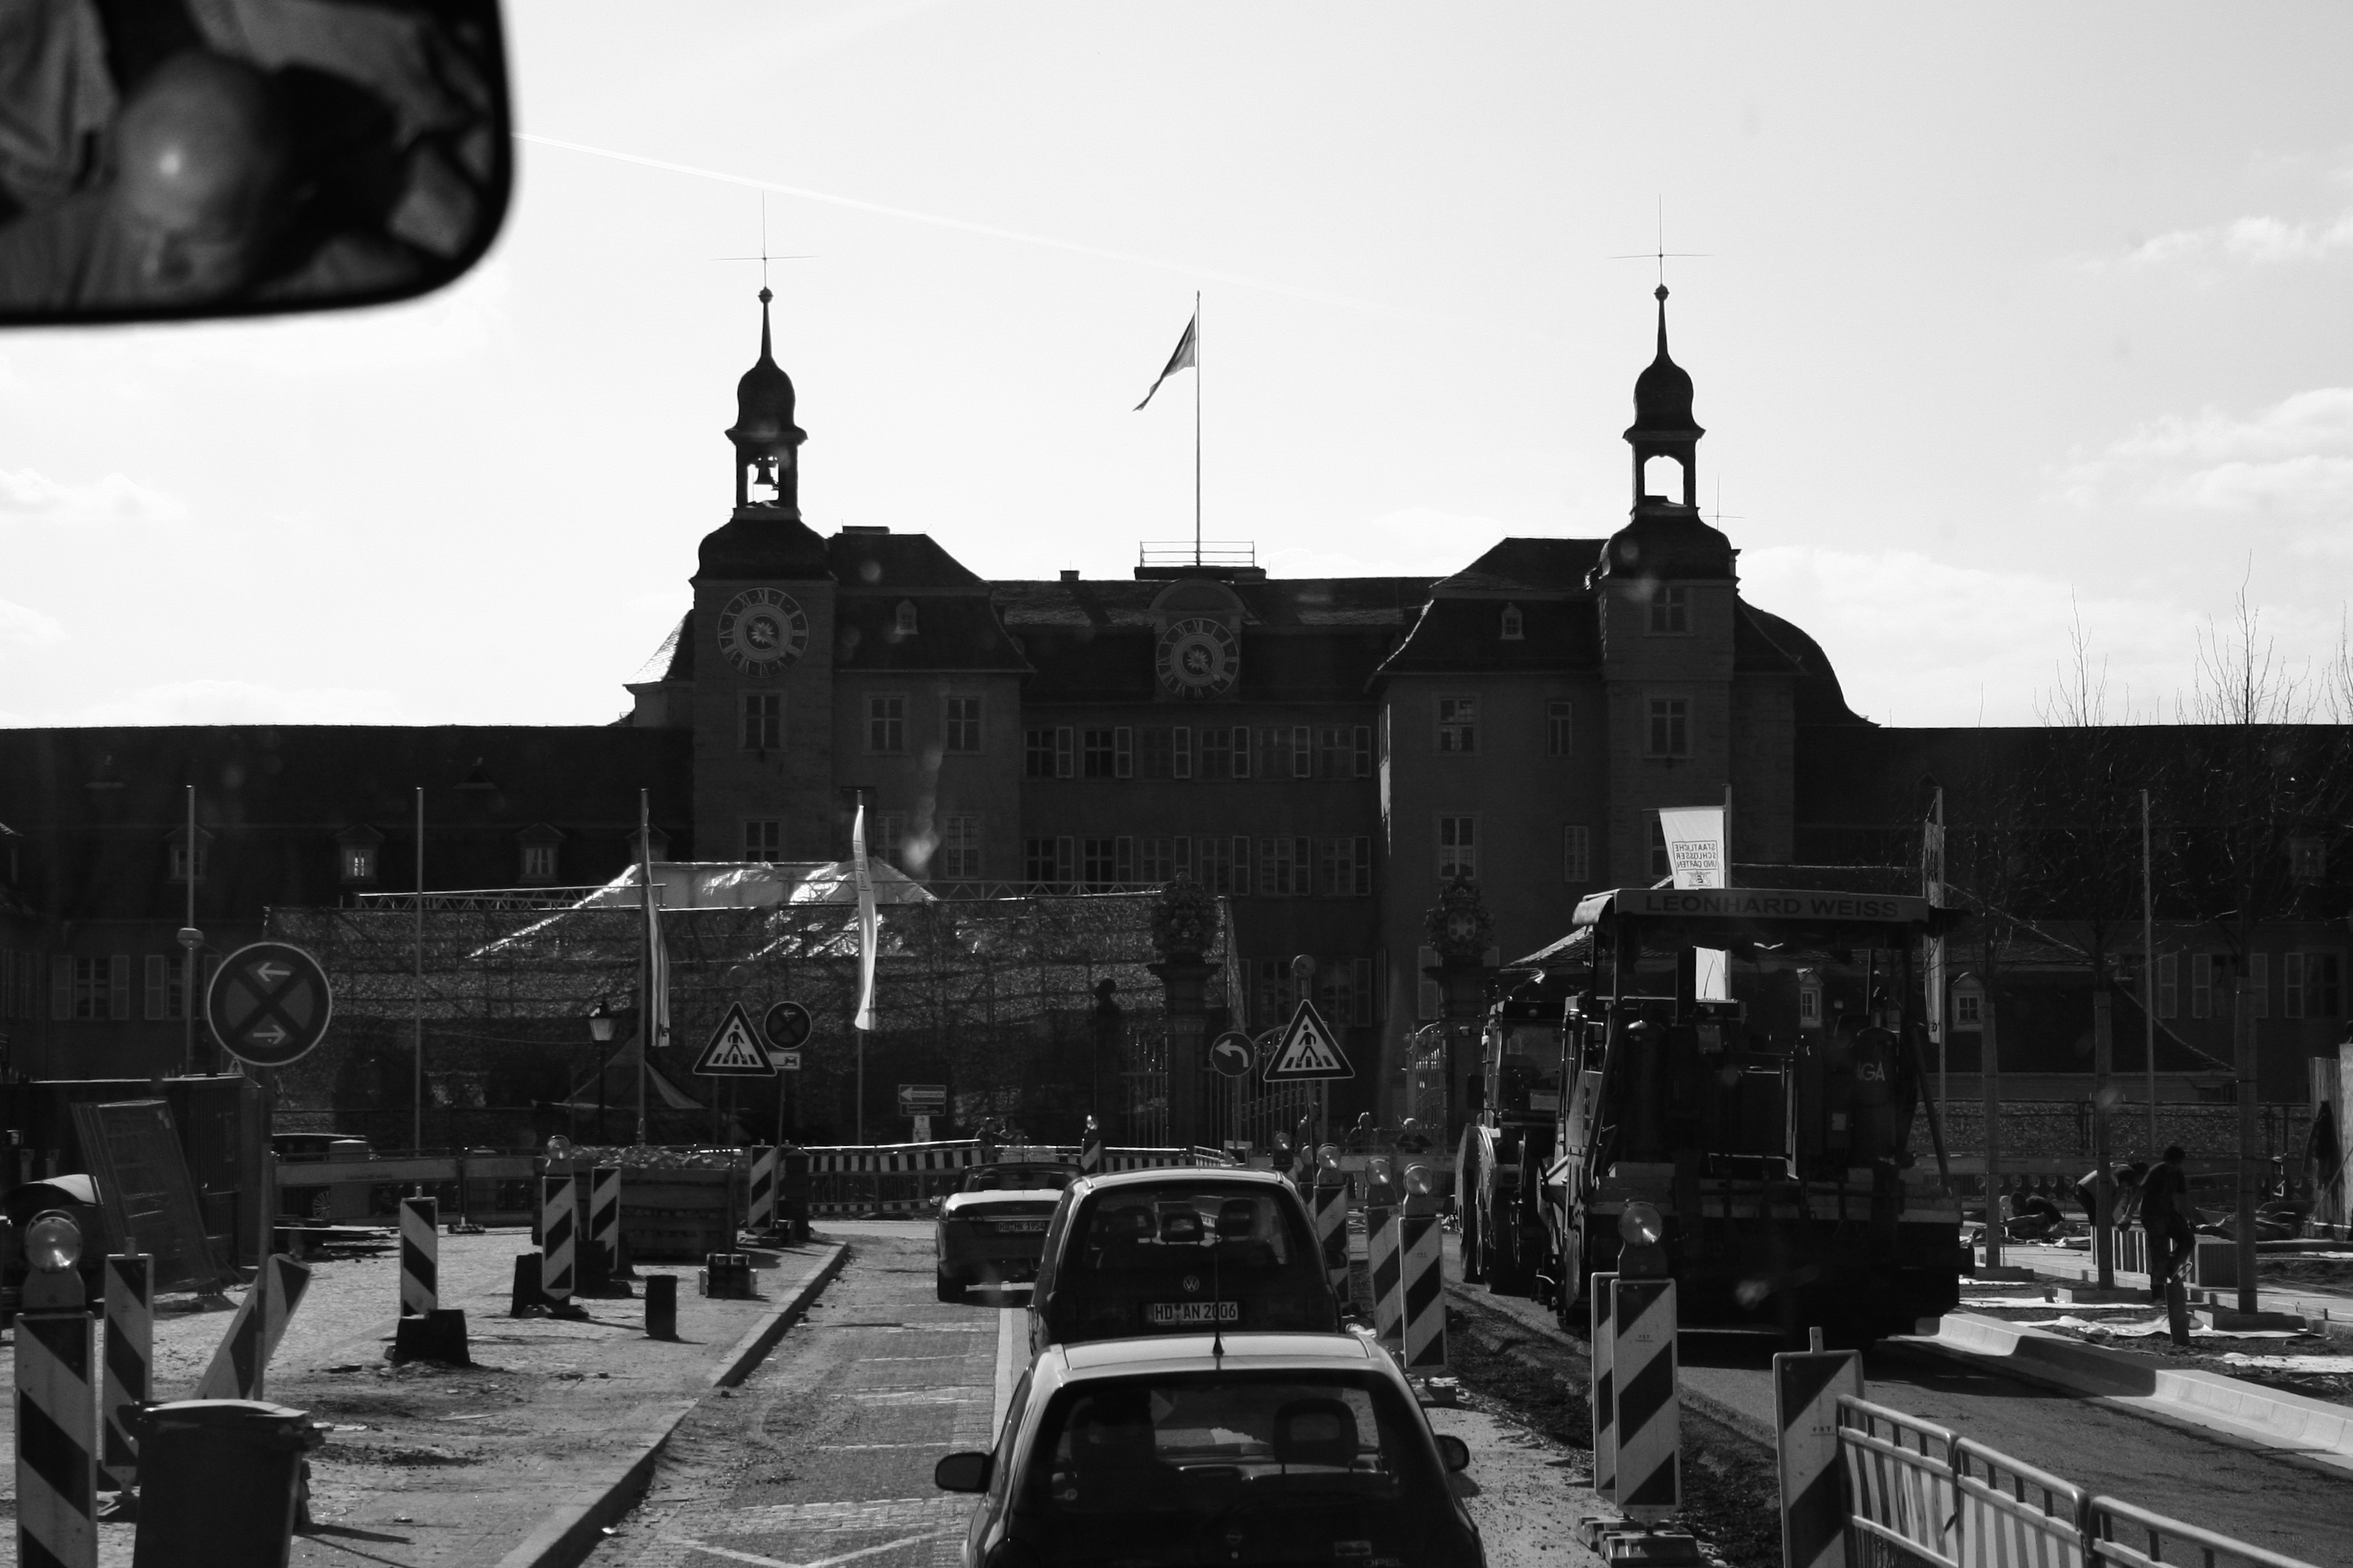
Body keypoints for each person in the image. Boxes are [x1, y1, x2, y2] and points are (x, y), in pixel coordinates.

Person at [2140, 1145, 2194, 1301]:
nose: (2173, 1167)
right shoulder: (2156, 1172)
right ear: (2166, 1161)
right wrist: (2128, 1215)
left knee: (2188, 1240)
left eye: (2177, 1164)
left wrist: (2190, 1218)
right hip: (2151, 1215)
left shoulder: (2178, 1174)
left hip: (2168, 1213)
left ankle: (2171, 1266)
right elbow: (2139, 1193)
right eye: (2171, 1164)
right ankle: (2158, 1290)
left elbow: (2183, 1197)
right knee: (2160, 1253)